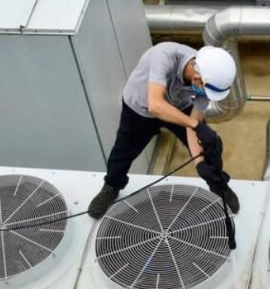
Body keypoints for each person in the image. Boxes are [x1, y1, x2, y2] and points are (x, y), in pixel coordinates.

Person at [87, 42, 240, 219]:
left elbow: (193, 124)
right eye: (206, 90)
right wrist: (196, 125)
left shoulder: (208, 80)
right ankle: (112, 186)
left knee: (204, 147)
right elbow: (156, 105)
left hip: (178, 106)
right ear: (198, 77)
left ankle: (218, 184)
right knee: (123, 151)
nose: (205, 95)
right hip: (141, 108)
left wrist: (200, 162)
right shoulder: (165, 56)